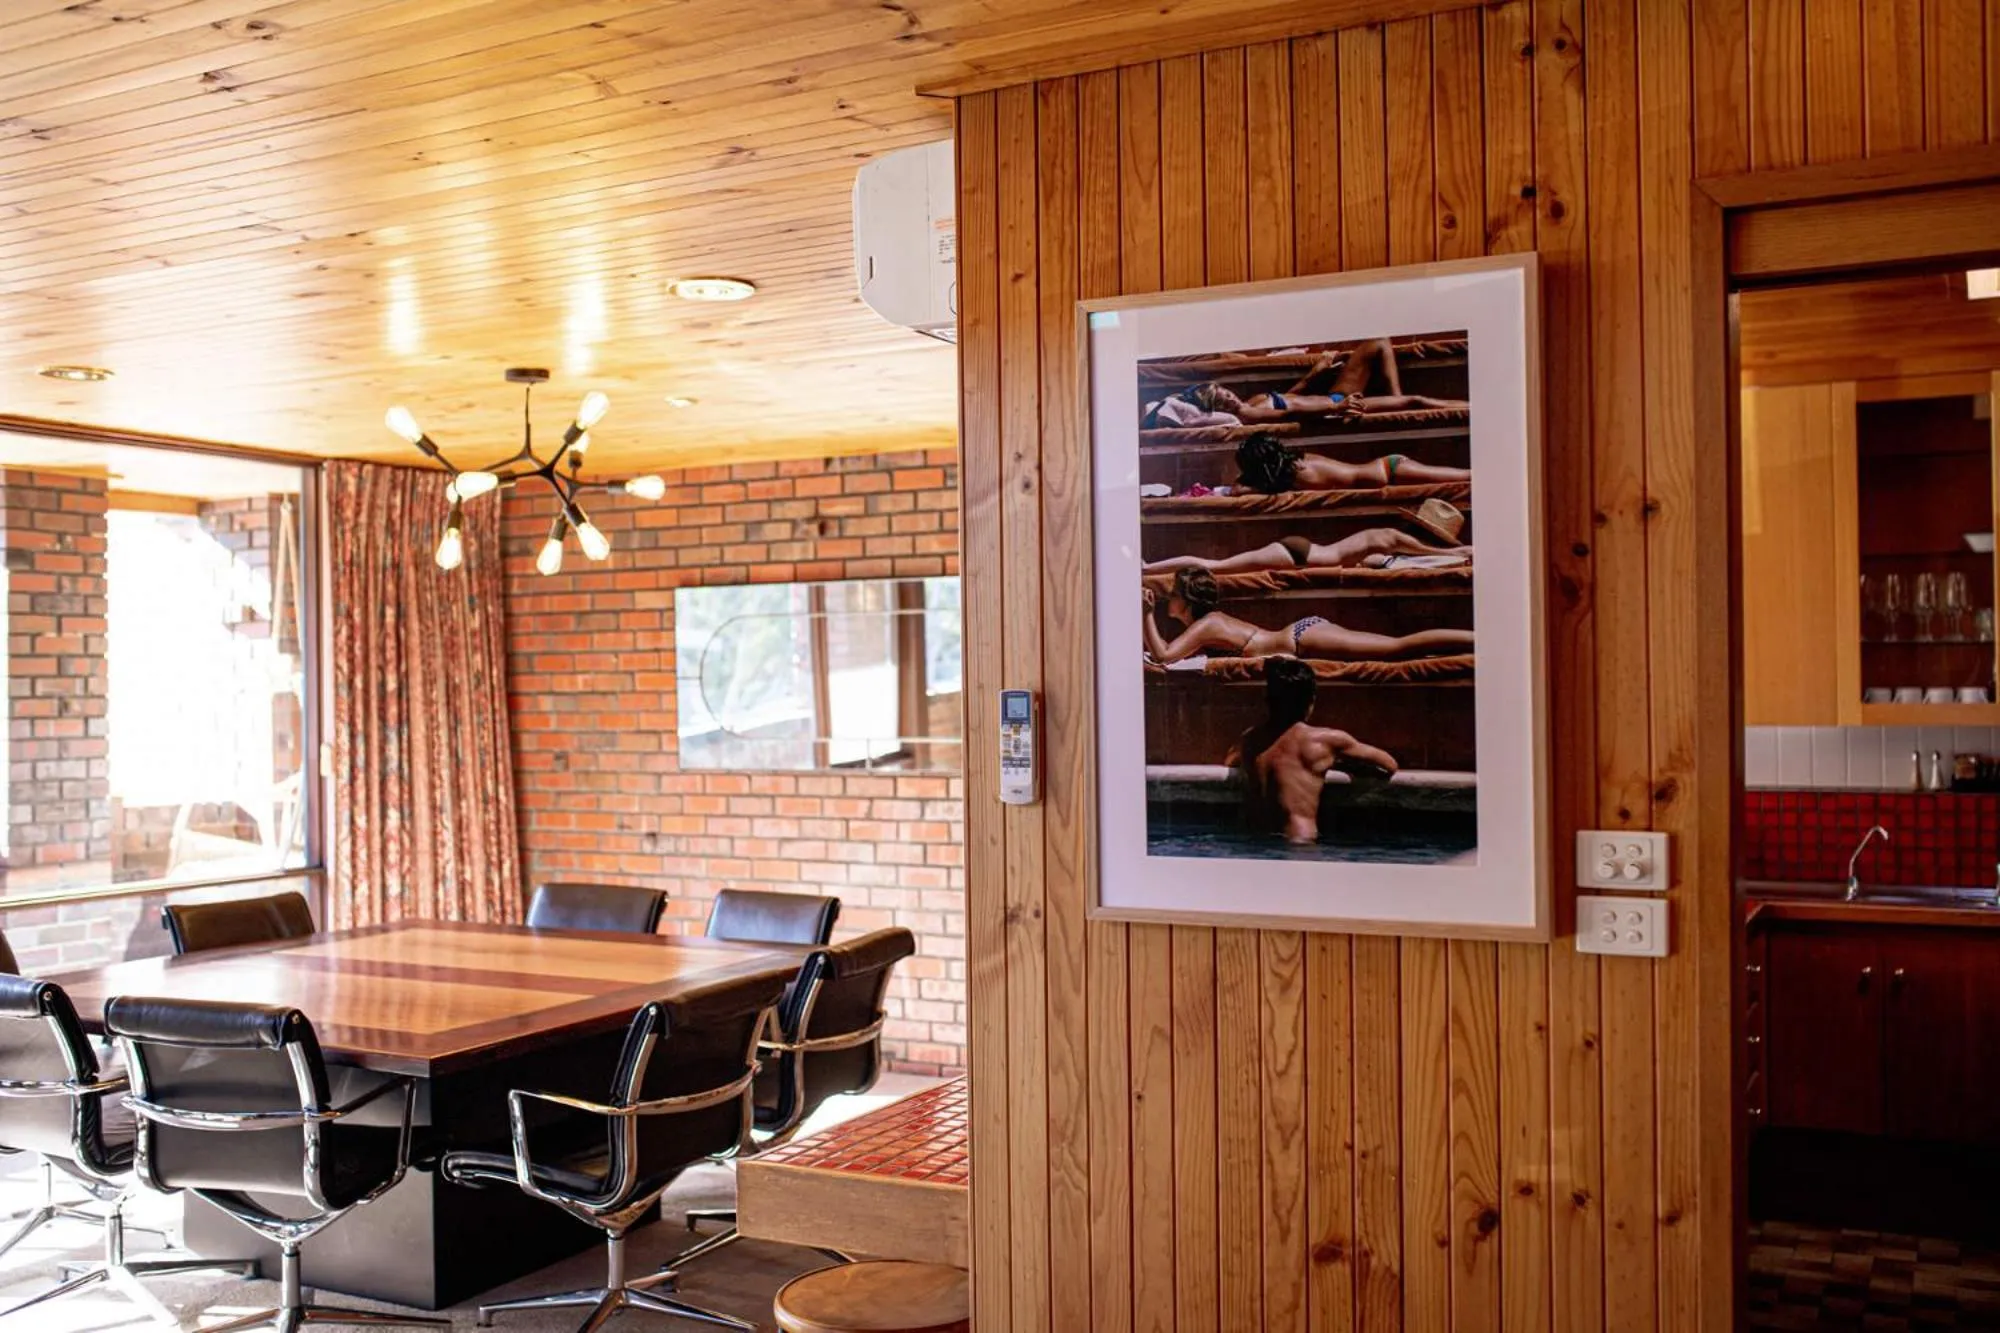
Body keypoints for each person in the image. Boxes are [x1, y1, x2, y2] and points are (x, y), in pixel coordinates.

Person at [1226, 656, 1399, 845]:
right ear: (1311, 701)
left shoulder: (1250, 739)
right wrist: (1340, 764)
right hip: (1299, 841)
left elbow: (1231, 761)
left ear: (1267, 699)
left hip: (1256, 841)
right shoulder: (1325, 741)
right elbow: (1389, 765)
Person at [1142, 568, 1473, 664]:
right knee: (1397, 649)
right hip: (1302, 635)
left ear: (1185, 600)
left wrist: (1144, 615)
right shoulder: (1206, 626)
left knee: (1396, 649)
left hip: (1301, 639)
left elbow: (1163, 655)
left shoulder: (1207, 624)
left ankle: (1477, 641)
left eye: (1171, 595)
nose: (1165, 600)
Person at [1141, 337, 1466, 429]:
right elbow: (1288, 414)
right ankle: (1469, 409)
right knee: (1417, 403)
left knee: (1377, 343)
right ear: (1215, 409)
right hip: (1337, 406)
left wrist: (1318, 371)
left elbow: (1289, 397)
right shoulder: (1248, 416)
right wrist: (1335, 409)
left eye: (1223, 391)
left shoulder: (1251, 401)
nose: (1227, 397)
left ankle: (1396, 402)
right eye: (1220, 400)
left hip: (1332, 397)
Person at [1143, 526, 1470, 576]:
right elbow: (1410, 546)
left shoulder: (1380, 549)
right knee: (1213, 567)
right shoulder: (1388, 537)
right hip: (1297, 555)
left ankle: (1149, 568)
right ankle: (1147, 569)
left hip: (1303, 551)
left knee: (1215, 566)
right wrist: (1453, 553)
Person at [1233, 431, 1470, 493]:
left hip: (1390, 471)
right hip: (1388, 467)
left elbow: (1239, 491)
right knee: (1463, 476)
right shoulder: (1298, 462)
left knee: (1464, 478)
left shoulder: (1293, 476)